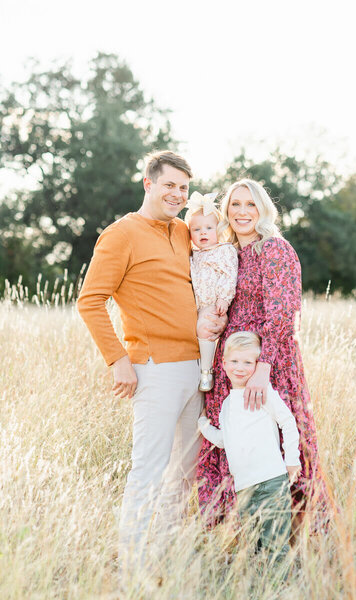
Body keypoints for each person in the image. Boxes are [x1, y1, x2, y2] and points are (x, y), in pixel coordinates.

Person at [77, 151, 226, 567]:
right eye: (169, 185)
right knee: (147, 470)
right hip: (154, 370)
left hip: (196, 371)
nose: (177, 194)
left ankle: (166, 560)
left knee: (183, 475)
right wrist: (117, 360)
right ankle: (132, 567)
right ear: (148, 184)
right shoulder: (121, 234)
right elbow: (90, 301)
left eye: (183, 187)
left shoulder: (183, 231)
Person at [197, 178, 328, 529]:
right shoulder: (228, 252)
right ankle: (233, 538)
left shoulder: (274, 249)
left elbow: (284, 314)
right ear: (225, 210)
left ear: (262, 210)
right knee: (234, 447)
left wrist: (263, 368)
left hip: (269, 365)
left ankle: (296, 537)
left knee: (278, 443)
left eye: (250, 204)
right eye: (235, 204)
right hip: (232, 368)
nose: (242, 212)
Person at [198, 331, 300, 567]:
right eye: (234, 361)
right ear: (223, 364)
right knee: (253, 543)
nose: (240, 368)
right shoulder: (225, 404)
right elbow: (226, 440)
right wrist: (203, 425)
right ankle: (258, 586)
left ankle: (281, 587)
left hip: (271, 479)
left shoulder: (263, 393)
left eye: (247, 362)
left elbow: (288, 421)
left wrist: (292, 459)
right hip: (244, 486)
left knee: (276, 543)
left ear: (257, 365)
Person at [185, 191, 238, 391]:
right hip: (199, 306)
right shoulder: (194, 254)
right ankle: (199, 368)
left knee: (206, 328)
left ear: (219, 230)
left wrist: (224, 298)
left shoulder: (224, 250)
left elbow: (230, 275)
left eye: (209, 228)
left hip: (215, 304)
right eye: (196, 229)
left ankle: (206, 372)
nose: (203, 233)